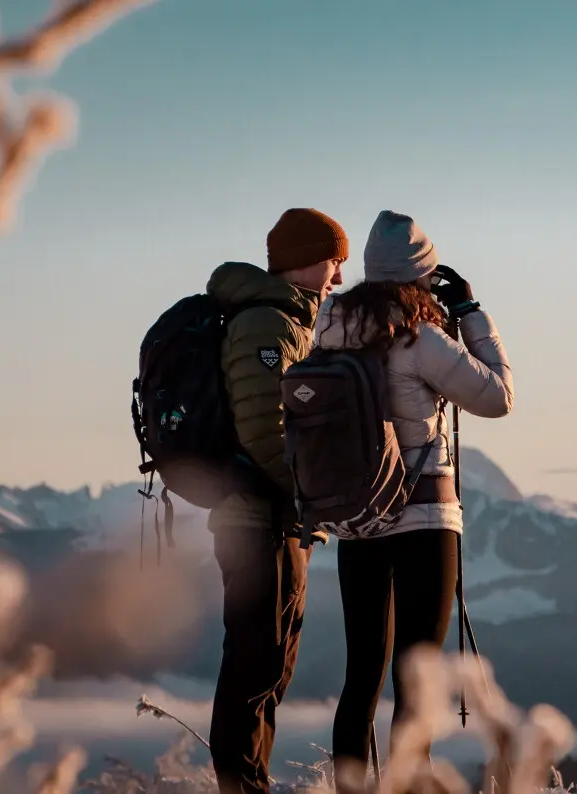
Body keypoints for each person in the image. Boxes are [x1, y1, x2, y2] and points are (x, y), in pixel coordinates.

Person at [313, 209, 514, 787]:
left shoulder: (330, 330)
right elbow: (497, 395)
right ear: (419, 277)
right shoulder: (419, 336)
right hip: (424, 520)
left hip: (358, 521)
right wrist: (472, 314)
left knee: (361, 677)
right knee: (417, 678)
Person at [205, 207, 348, 794]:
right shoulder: (269, 325)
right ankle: (242, 786)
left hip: (276, 519)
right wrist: (312, 499)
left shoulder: (286, 320)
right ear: (311, 259)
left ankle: (248, 782)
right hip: (260, 518)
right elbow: (267, 433)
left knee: (268, 665)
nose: (339, 278)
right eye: (335, 263)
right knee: (255, 667)